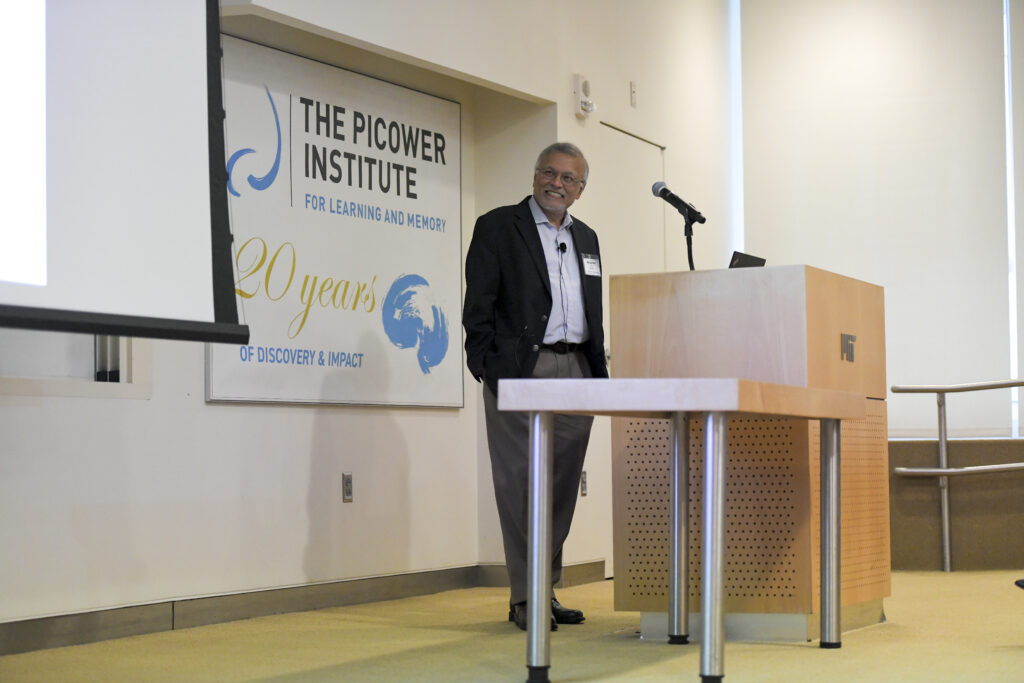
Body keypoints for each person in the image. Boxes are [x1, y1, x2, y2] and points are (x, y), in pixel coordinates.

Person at [463, 142, 608, 631]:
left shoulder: (586, 237)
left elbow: (592, 307)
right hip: (521, 371)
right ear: (535, 174)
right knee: (521, 484)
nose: (558, 183)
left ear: (580, 190)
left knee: (562, 486)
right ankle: (524, 597)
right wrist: (484, 364)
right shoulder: (498, 227)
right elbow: (477, 304)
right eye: (550, 172)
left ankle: (544, 589)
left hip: (578, 371)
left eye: (570, 178)